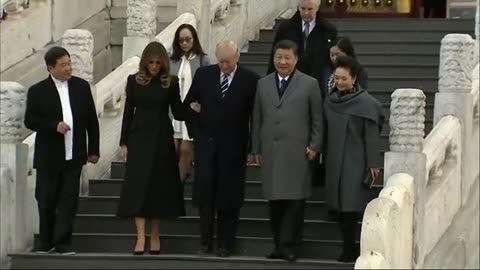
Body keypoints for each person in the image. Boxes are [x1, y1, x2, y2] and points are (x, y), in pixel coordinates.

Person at [183, 40, 260, 257]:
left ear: (237, 57)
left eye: (228, 61)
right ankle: (205, 241)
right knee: (206, 197)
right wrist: (196, 132)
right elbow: (188, 105)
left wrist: (253, 147)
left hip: (234, 150)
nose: (224, 66)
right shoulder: (204, 75)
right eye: (220, 61)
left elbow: (256, 116)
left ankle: (226, 243)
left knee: (229, 199)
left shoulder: (250, 80)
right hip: (206, 147)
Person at [251, 40, 323, 262]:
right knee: (274, 201)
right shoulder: (263, 84)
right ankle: (278, 244)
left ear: (296, 59)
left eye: (287, 58)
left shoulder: (309, 84)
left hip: (297, 151)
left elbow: (317, 119)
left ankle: (288, 245)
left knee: (294, 200)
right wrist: (255, 148)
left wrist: (314, 145)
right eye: (278, 57)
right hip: (271, 151)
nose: (282, 62)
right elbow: (257, 118)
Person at [24, 46, 100, 255]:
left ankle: (63, 243)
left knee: (69, 200)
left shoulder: (81, 87)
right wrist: (53, 125)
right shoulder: (38, 91)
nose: (68, 68)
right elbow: (30, 120)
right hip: (49, 156)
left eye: (69, 63)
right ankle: (46, 242)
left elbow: (92, 121)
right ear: (50, 68)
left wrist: (93, 149)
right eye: (63, 65)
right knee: (46, 200)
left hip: (74, 155)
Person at [117, 41, 186, 255]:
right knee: (138, 187)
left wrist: (197, 106)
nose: (154, 66)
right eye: (151, 62)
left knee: (157, 187)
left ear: (163, 63)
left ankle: (155, 236)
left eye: (158, 62)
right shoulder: (133, 81)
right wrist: (123, 142)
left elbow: (179, 111)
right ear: (145, 62)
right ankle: (140, 236)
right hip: (138, 138)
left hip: (162, 139)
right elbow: (128, 112)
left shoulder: (170, 83)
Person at [323, 55, 384, 263]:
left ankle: (351, 249)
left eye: (344, 79)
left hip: (355, 162)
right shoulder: (330, 100)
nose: (340, 82)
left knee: (350, 207)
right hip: (333, 161)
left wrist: (373, 164)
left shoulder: (366, 103)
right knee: (339, 207)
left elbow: (371, 136)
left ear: (354, 78)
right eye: (337, 78)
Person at [267, 0, 337, 98]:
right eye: (303, 9)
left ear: (317, 8)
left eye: (310, 9)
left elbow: (330, 61)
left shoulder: (328, 31)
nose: (306, 13)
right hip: (290, 81)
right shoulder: (286, 29)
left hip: (317, 83)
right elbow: (275, 55)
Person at [170, 23, 210, 182]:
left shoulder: (203, 60)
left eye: (188, 39)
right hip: (174, 111)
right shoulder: (172, 61)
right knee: (174, 148)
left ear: (194, 39)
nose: (185, 43)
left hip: (193, 112)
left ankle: (176, 187)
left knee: (186, 149)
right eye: (181, 40)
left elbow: (208, 86)